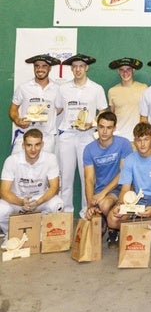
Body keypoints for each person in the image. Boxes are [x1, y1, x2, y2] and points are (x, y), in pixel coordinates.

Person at [107, 122, 151, 253]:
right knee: (112, 220)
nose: (142, 144)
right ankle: (142, 225)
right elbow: (125, 188)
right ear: (135, 142)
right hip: (138, 199)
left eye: (146, 139)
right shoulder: (130, 159)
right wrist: (120, 205)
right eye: (139, 140)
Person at [55, 53, 108, 217]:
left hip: (87, 137)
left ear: (87, 68)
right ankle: (66, 215)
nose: (78, 69)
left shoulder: (96, 88)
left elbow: (103, 111)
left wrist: (92, 123)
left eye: (81, 66)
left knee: (87, 178)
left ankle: (87, 213)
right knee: (66, 178)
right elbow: (57, 110)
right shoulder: (63, 88)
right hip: (67, 136)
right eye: (75, 66)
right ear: (72, 69)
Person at [0, 129, 63, 242]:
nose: (33, 149)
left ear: (42, 144)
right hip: (17, 200)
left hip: (38, 200)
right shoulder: (11, 160)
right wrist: (21, 202)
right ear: (23, 145)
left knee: (58, 204)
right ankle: (11, 234)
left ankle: (40, 233)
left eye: (37, 145)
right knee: (1, 210)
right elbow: (4, 191)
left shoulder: (50, 159)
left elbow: (54, 188)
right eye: (29, 145)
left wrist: (38, 202)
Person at [83, 111, 133, 248]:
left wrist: (102, 194)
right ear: (97, 127)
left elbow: (124, 173)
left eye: (109, 127)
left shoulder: (124, 144)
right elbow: (89, 179)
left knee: (104, 204)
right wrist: (90, 205)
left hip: (121, 188)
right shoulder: (89, 149)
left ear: (114, 128)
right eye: (101, 127)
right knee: (102, 205)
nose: (104, 131)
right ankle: (105, 220)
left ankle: (113, 230)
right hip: (101, 192)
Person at [9, 54, 60, 154]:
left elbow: (59, 108)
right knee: (17, 166)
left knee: (44, 169)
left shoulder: (57, 89)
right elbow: (13, 109)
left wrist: (48, 114)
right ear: (33, 67)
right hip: (25, 134)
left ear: (50, 68)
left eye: (44, 66)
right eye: (37, 66)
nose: (40, 69)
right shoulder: (23, 87)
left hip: (47, 137)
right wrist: (17, 120)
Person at [107, 57, 147, 144]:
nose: (125, 73)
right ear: (118, 71)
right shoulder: (112, 91)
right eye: (122, 70)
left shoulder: (143, 88)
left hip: (138, 138)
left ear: (133, 70)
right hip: (118, 138)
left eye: (128, 69)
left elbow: (147, 113)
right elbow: (112, 115)